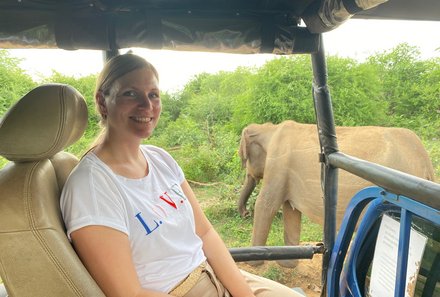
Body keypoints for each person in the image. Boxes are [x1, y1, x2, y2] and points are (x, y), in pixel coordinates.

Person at [60, 53, 303, 297]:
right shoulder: (91, 186)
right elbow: (128, 293)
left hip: (212, 274)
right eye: (130, 93)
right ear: (103, 102)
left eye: (153, 94)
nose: (147, 105)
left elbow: (205, 233)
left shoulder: (160, 158)